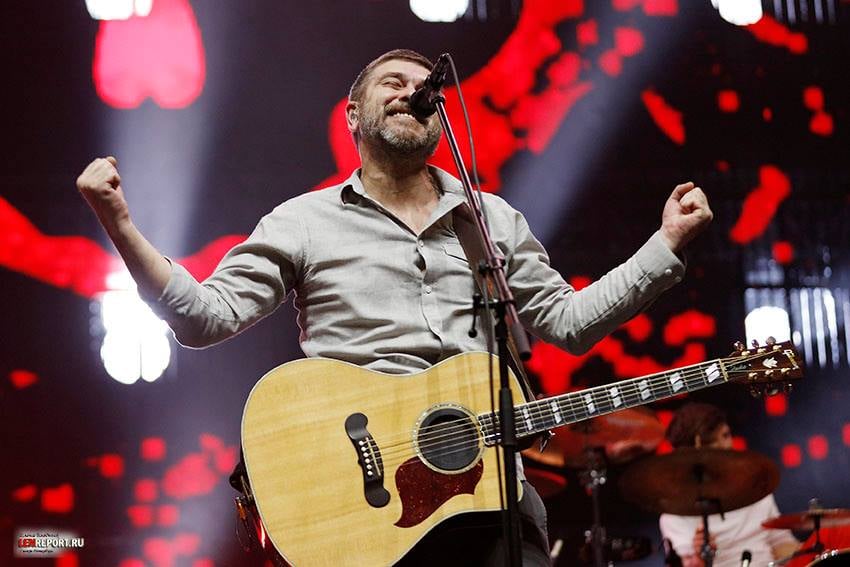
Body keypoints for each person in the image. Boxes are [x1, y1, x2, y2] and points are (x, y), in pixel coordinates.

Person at [76, 49, 712, 566]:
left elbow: (567, 323)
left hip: (489, 495)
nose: (413, 90)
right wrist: (120, 225)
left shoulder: (490, 220)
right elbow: (204, 318)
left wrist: (665, 245)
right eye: (394, 82)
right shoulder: (303, 220)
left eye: (424, 86)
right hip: (363, 501)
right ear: (354, 116)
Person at [659, 403, 799, 567]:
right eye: (710, 443)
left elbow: (781, 544)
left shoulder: (757, 491)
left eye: (725, 435)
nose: (725, 446)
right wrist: (698, 557)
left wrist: (817, 552)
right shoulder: (675, 515)